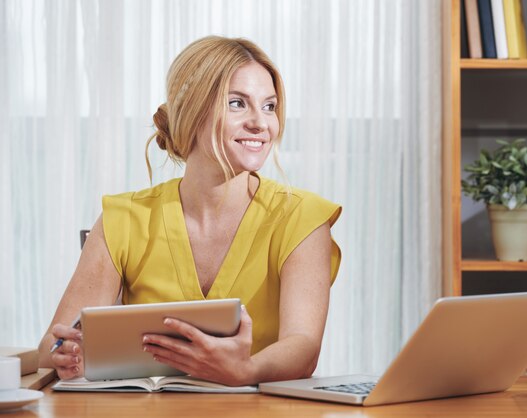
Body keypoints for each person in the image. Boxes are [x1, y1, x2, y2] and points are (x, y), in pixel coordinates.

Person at [38, 36, 341, 386]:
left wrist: (247, 371)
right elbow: (51, 346)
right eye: (237, 103)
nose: (261, 123)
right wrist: (67, 352)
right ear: (193, 109)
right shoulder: (122, 220)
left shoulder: (303, 219)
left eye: (270, 106)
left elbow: (304, 348)